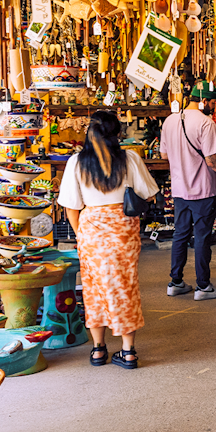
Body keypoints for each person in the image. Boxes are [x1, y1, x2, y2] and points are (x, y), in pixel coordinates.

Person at [58, 110, 159, 369]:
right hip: (124, 229)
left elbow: (71, 207)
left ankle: (98, 350)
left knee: (94, 289)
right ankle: (128, 352)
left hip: (91, 230)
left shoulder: (76, 162)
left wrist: (81, 234)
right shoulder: (130, 158)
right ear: (117, 133)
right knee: (125, 287)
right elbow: (149, 194)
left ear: (89, 133)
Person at [160, 80, 216, 300]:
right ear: (204, 101)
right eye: (213, 103)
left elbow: (164, 155)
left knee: (180, 235)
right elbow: (212, 161)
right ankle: (203, 287)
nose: (214, 107)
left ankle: (175, 283)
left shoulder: (170, 121)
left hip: (179, 189)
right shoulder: (206, 123)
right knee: (202, 237)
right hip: (203, 190)